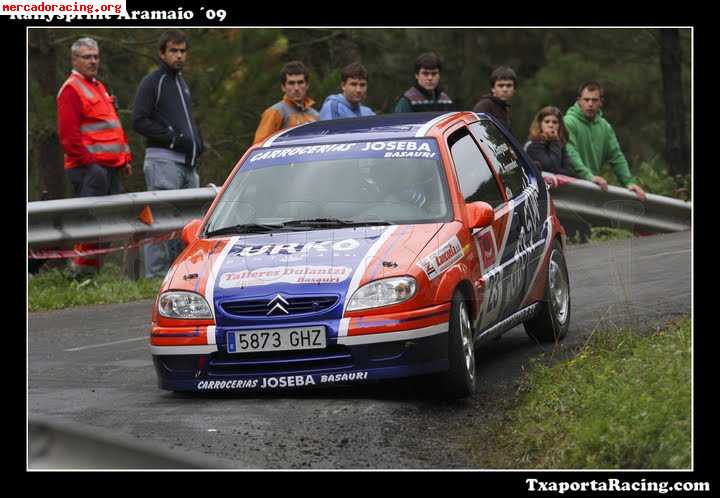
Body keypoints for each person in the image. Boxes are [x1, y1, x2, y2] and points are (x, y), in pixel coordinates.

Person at [57, 37, 132, 277]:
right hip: (90, 169)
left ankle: (90, 274)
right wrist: (92, 166)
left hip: (110, 168)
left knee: (108, 225)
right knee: (89, 224)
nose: (93, 61)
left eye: (96, 56)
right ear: (74, 60)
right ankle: (79, 273)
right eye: (87, 57)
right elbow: (69, 138)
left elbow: (112, 127)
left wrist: (125, 159)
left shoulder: (97, 87)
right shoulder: (71, 89)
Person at [132, 29, 204, 278]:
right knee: (162, 222)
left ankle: (178, 274)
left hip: (187, 165)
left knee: (186, 223)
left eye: (183, 51)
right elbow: (139, 120)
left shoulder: (181, 83)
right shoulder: (154, 81)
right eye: (173, 51)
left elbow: (186, 121)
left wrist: (198, 142)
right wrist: (173, 138)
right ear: (162, 53)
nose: (179, 56)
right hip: (163, 162)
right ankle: (155, 276)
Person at [564, 81, 646, 200]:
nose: (590, 104)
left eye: (594, 100)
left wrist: (629, 182)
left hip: (590, 188)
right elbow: (571, 153)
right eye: (586, 100)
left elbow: (616, 157)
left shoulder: (605, 127)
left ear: (601, 102)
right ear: (579, 100)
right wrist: (589, 176)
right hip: (570, 186)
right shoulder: (568, 122)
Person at [254, 61, 320, 144]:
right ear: (283, 87)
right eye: (291, 83)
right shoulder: (275, 112)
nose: (296, 88)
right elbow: (260, 146)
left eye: (300, 82)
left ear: (307, 85)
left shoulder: (315, 115)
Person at [525, 106, 577, 188]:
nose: (551, 125)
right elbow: (551, 167)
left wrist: (555, 142)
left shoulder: (560, 145)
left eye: (555, 122)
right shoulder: (533, 145)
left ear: (560, 125)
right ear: (540, 124)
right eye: (547, 122)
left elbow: (571, 171)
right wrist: (555, 141)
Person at [473, 66, 516, 131]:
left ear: (514, 89)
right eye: (500, 85)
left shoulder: (506, 108)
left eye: (509, 85)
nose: (505, 89)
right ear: (493, 88)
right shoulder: (484, 106)